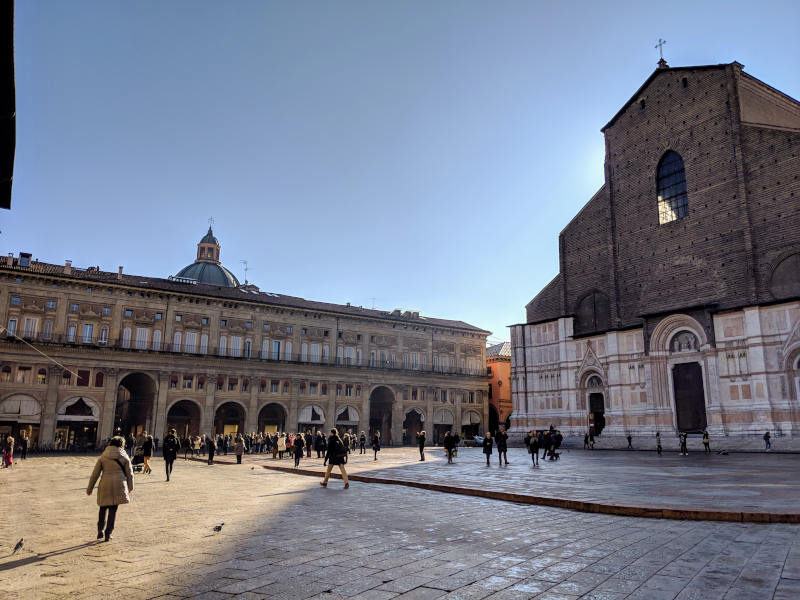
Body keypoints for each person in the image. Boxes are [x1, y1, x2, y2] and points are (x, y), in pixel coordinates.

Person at [86, 436, 133, 542]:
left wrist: (90, 488)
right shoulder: (124, 456)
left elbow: (95, 474)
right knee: (113, 509)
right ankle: (108, 533)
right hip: (119, 484)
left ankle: (100, 530)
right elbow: (130, 474)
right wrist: (130, 487)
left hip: (105, 484)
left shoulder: (103, 456)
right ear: (122, 444)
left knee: (103, 507)